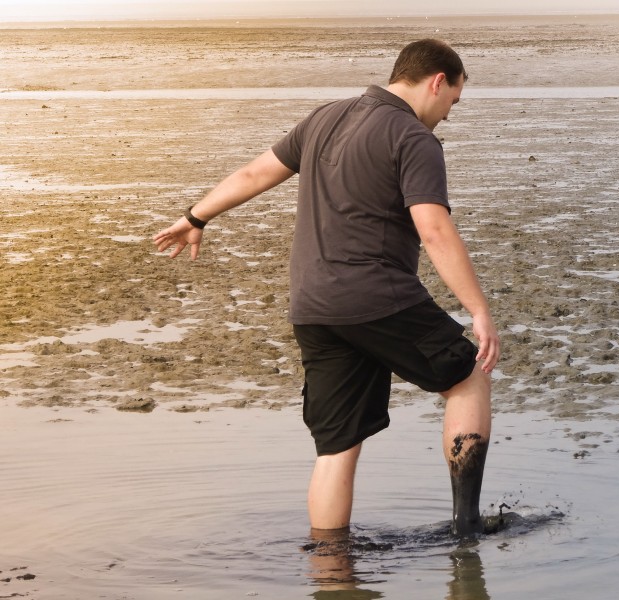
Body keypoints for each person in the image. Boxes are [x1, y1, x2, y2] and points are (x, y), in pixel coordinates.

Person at [153, 39, 500, 537]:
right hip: (376, 295)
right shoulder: (412, 137)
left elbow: (256, 172)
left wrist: (195, 216)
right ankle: (466, 530)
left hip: (313, 306)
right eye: (453, 102)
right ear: (437, 81)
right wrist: (479, 310)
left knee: (337, 446)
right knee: (467, 378)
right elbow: (434, 229)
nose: (449, 114)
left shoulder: (325, 118)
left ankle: (332, 572)